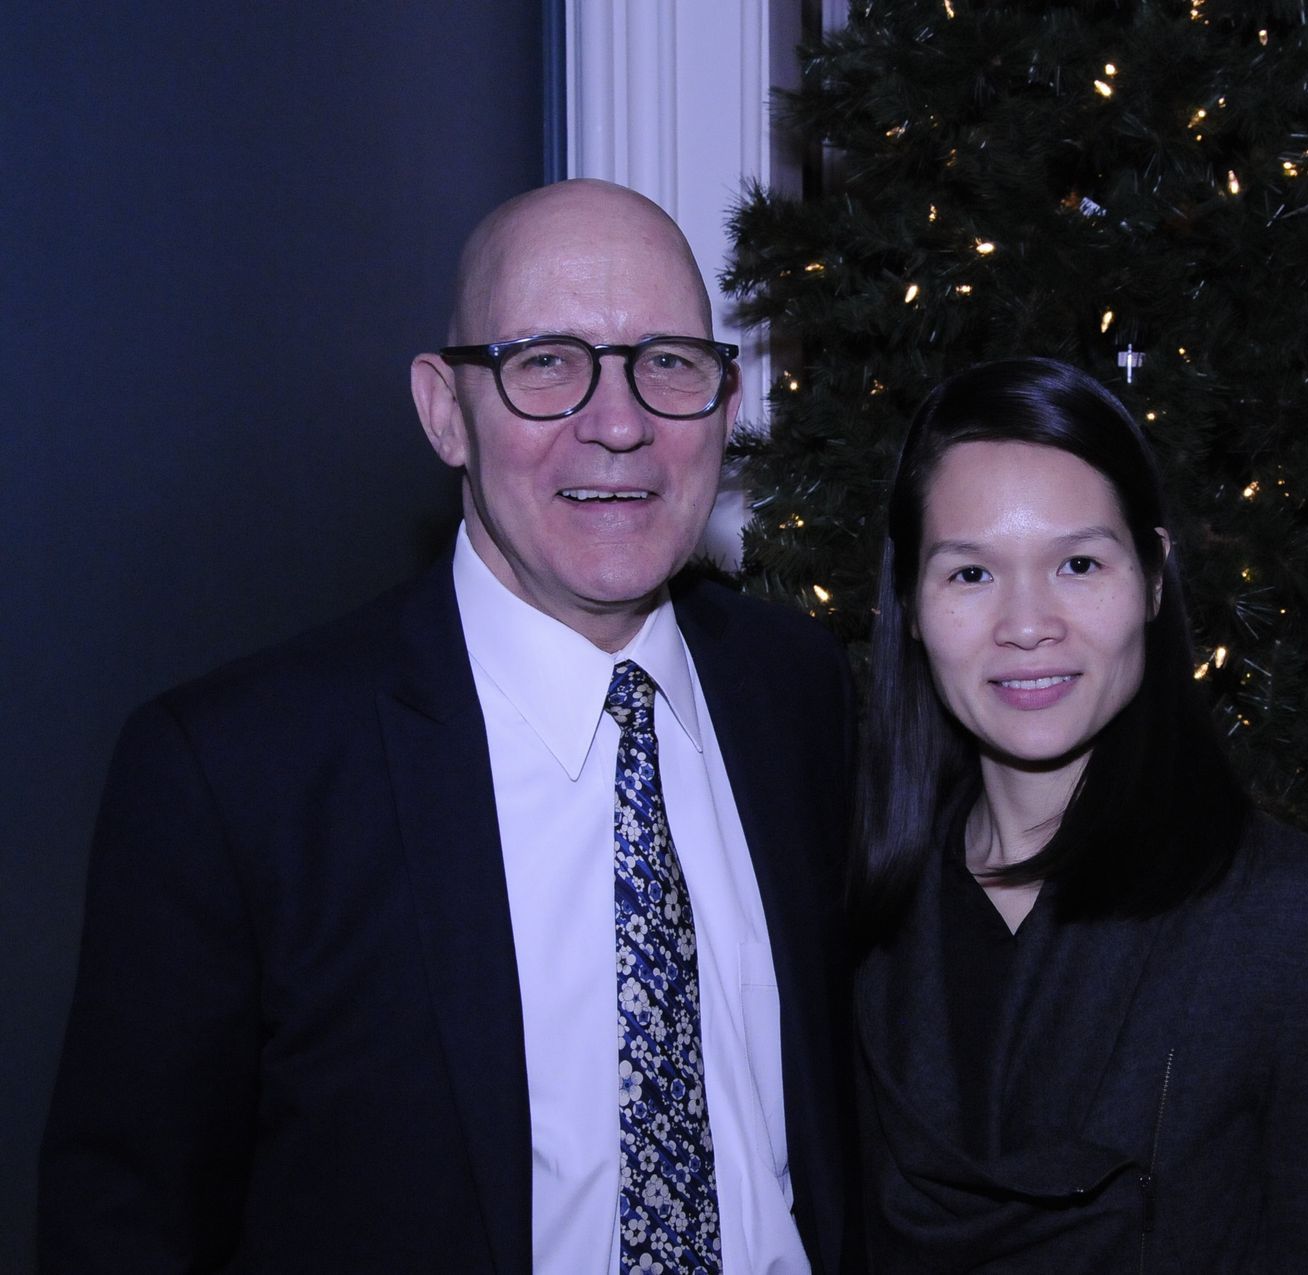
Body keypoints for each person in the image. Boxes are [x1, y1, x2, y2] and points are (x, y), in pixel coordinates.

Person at [39, 179, 859, 1274]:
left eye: (667, 362)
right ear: (444, 411)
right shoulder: (239, 777)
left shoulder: (800, 694)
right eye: (546, 363)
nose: (617, 424)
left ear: (724, 402)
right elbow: (126, 1227)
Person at [852, 357, 1308, 1272]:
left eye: (1077, 562)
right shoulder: (854, 903)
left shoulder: (1287, 917)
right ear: (910, 603)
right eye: (971, 572)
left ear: (1150, 578)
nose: (1028, 623)